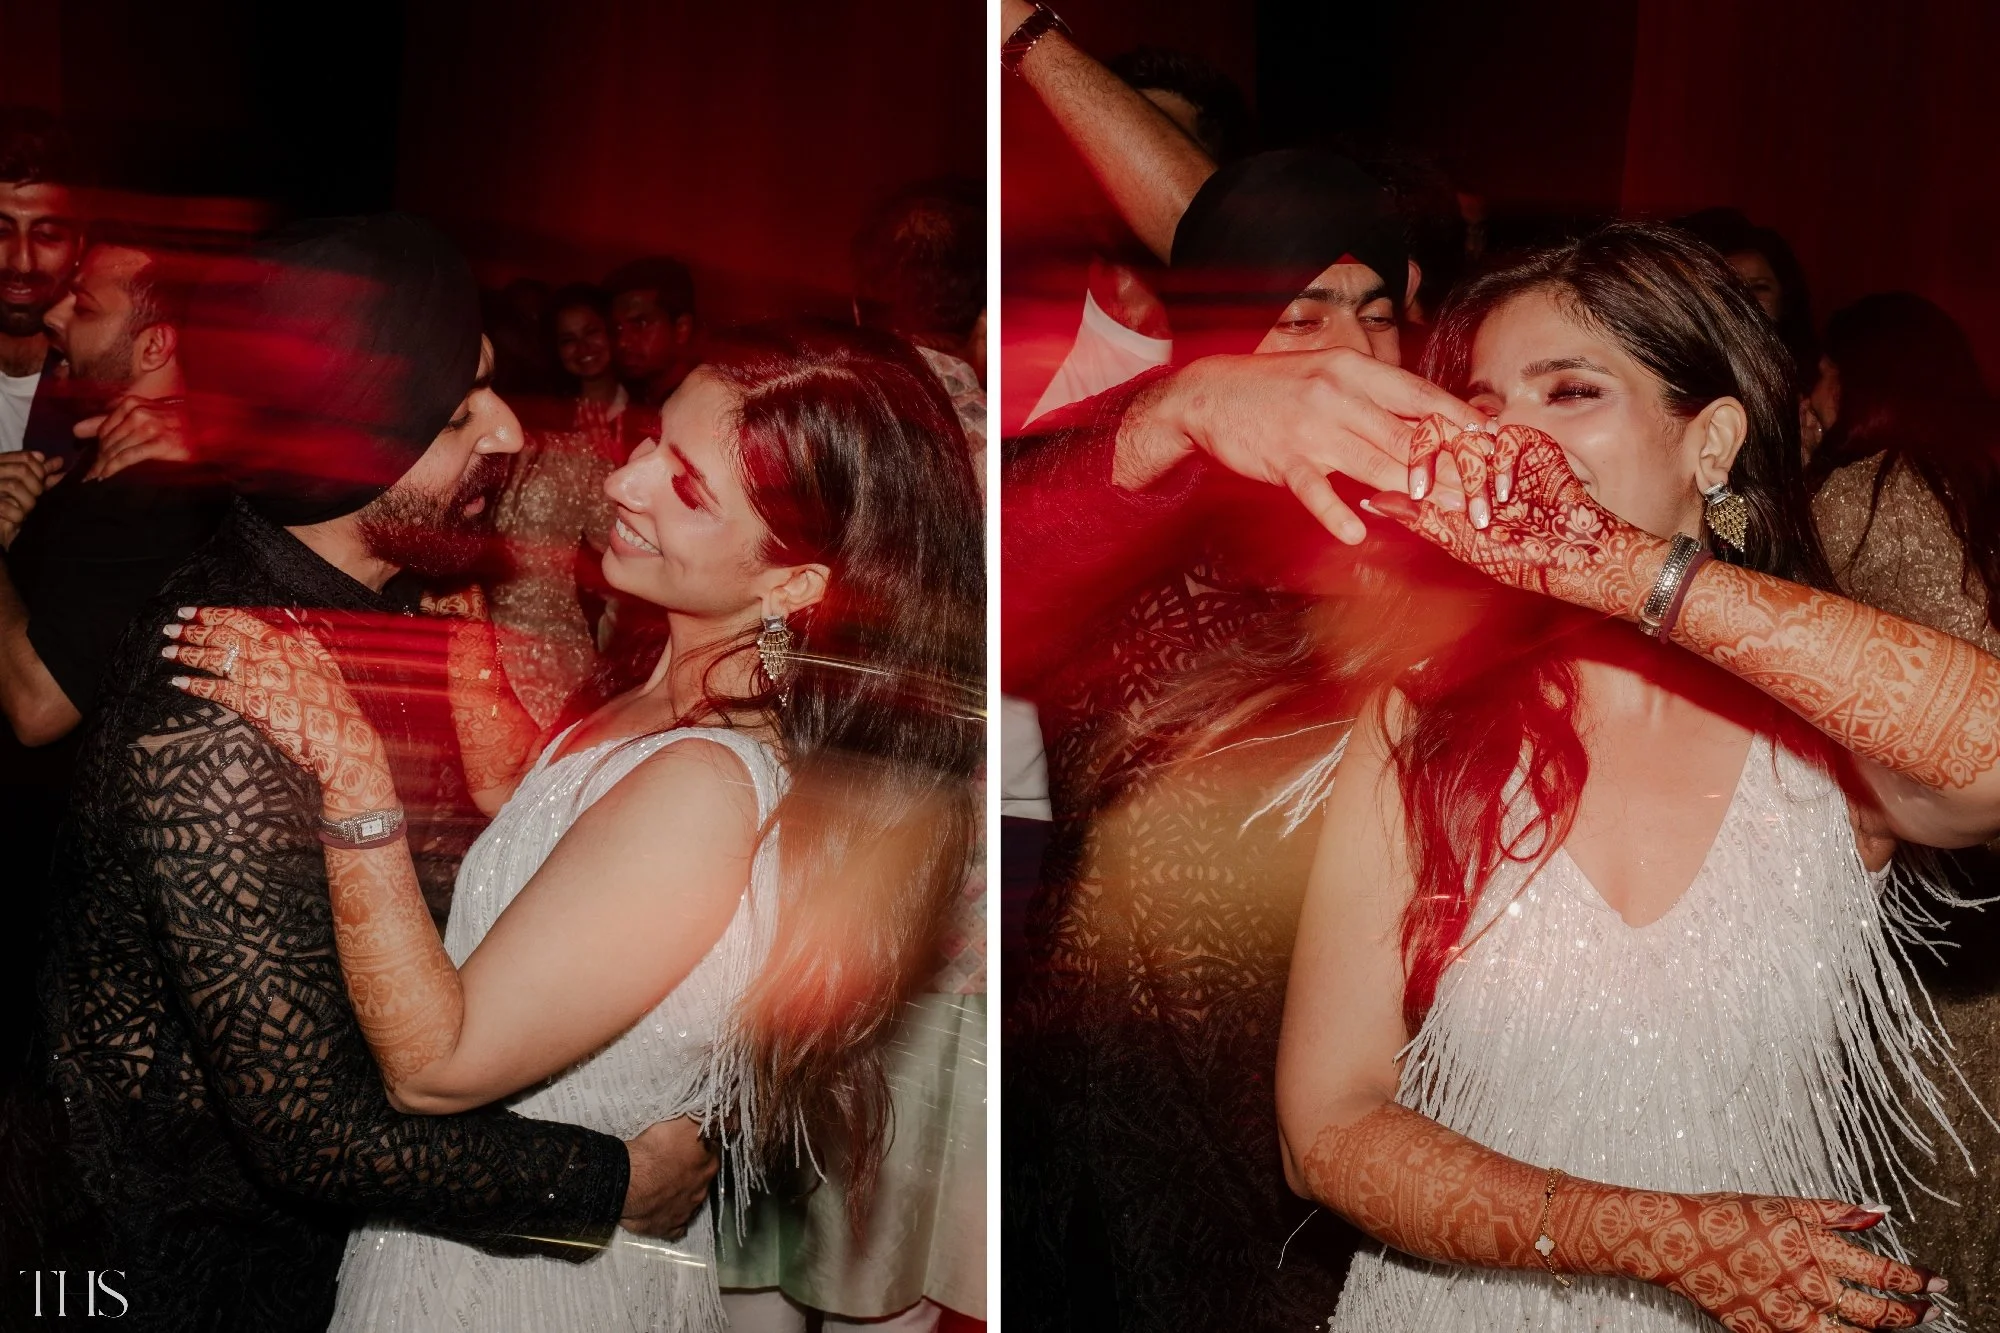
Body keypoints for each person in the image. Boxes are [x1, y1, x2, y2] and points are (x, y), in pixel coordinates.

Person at [174, 320, 984, 1332]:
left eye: (687, 487)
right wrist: (468, 671)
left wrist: (352, 775)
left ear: (793, 583)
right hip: (513, 1235)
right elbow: (560, 841)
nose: (623, 481)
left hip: (525, 1289)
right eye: (652, 439)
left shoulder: (704, 784)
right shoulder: (662, 692)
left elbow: (437, 1067)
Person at [0, 215, 718, 1332]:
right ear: (346, 447)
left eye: (488, 386)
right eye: (455, 413)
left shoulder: (389, 605)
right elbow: (309, 1128)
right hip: (161, 1275)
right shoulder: (219, 697)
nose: (505, 431)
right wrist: (610, 1182)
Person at [1275, 222, 1987, 1330]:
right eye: (1482, 404)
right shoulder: (1421, 720)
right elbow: (1324, 1126)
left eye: (1569, 392)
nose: (1510, 438)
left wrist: (1621, 567)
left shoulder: (1824, 722)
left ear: (1711, 443)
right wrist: (1661, 1239)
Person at [1002, 148, 1478, 1331]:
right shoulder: (1142, 494)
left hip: (1360, 1104)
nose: (1348, 353)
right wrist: (1185, 408)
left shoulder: (1431, 529)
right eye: (1299, 314)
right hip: (1135, 1113)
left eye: (1375, 312)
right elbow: (993, 569)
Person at [1805, 291, 2000, 1326]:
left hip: (1932, 886)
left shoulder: (1856, 495)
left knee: (1928, 1171)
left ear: (1858, 376)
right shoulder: (1980, 482)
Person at [0, 233, 229, 1091]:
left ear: (155, 344)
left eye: (84, 304)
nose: (55, 313)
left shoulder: (155, 494)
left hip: (52, 910)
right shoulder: (102, 453)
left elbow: (39, 707)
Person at [487, 283, 624, 728]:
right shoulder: (553, 440)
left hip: (558, 636)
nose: (582, 348)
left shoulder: (642, 415)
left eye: (591, 332)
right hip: (524, 644)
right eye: (567, 339)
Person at [605, 254, 697, 410]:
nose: (622, 342)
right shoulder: (631, 399)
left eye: (640, 324)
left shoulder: (704, 402)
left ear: (682, 328)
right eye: (617, 329)